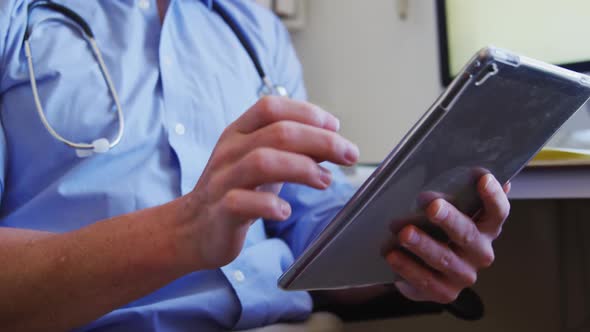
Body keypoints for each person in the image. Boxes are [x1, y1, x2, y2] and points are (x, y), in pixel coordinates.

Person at [0, 0, 511, 331]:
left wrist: (405, 249)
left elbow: (311, 234)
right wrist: (182, 231)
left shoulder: (253, 30)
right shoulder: (17, 18)